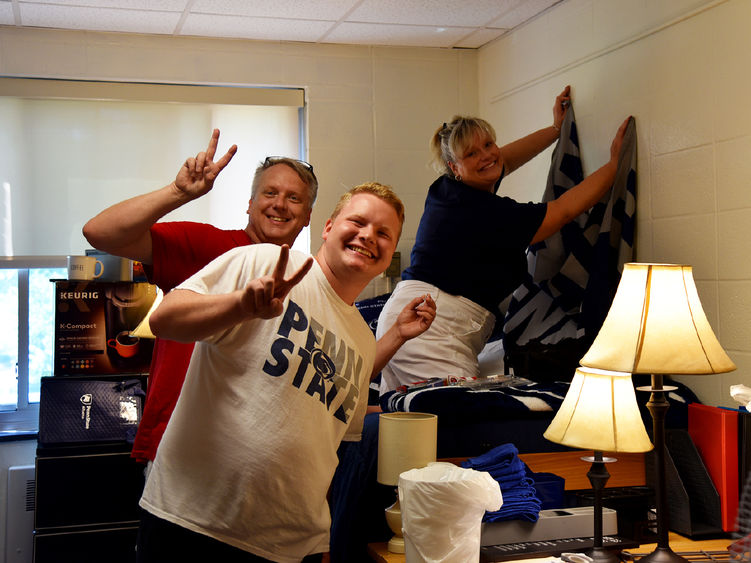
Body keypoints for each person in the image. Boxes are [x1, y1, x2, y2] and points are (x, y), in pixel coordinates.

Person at [136, 183, 435, 563]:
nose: (367, 236)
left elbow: (327, 442)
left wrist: (320, 543)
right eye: (357, 221)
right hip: (193, 525)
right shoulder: (263, 262)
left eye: (383, 233)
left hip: (293, 548)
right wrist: (242, 305)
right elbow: (165, 320)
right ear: (327, 227)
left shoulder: (361, 336)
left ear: (392, 250)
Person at [82, 129, 320, 466]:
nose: (280, 204)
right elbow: (100, 232)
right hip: (184, 452)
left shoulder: (306, 280)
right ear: (250, 205)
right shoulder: (207, 247)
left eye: (294, 198)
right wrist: (177, 192)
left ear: (308, 216)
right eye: (270, 193)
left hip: (258, 460)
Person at [377, 86, 631, 395]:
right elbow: (563, 211)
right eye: (472, 153)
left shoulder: (447, 188)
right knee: (458, 422)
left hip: (410, 315)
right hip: (433, 328)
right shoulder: (487, 212)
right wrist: (613, 168)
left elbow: (503, 160)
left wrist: (555, 130)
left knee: (409, 422)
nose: (486, 156)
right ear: (455, 167)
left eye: (488, 143)